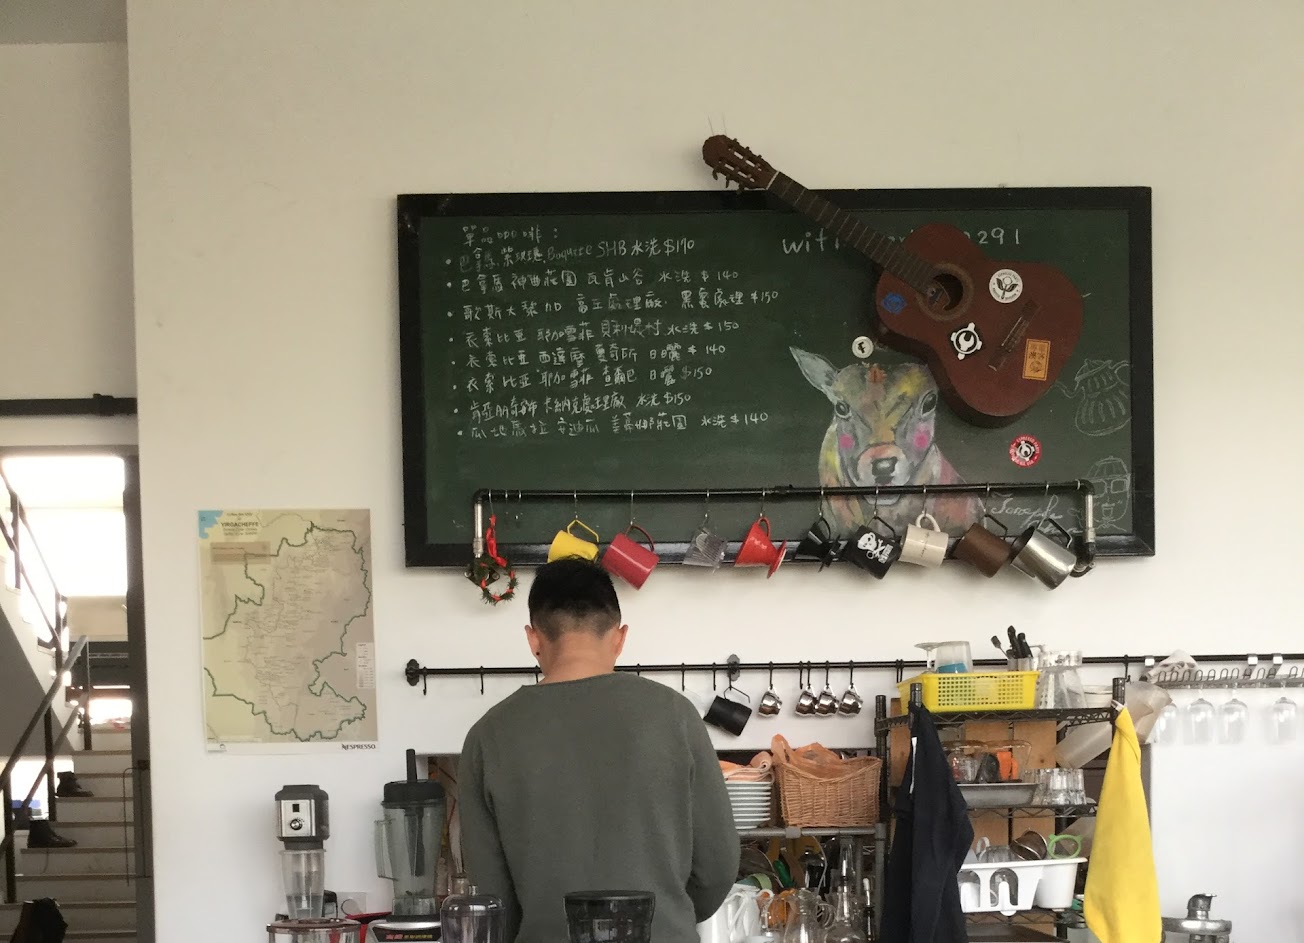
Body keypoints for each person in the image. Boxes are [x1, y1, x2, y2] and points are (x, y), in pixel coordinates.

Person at [459, 558, 740, 943]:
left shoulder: (487, 736)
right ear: (620, 638)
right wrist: (662, 919)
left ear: (534, 639)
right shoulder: (675, 715)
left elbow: (492, 899)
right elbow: (718, 866)